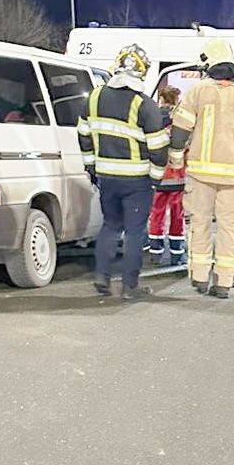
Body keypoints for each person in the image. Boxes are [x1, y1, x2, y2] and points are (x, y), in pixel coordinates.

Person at [168, 38, 234, 299]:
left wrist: (176, 160)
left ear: (207, 62)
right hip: (233, 178)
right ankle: (223, 282)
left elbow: (179, 132)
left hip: (200, 176)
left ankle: (199, 277)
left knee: (199, 225)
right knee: (229, 229)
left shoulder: (197, 92)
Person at [77, 43, 168, 301]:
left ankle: (102, 277)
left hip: (106, 178)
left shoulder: (94, 97)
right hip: (137, 181)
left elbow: (83, 135)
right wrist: (156, 178)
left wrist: (91, 167)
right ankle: (130, 286)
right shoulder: (144, 105)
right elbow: (159, 149)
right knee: (135, 232)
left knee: (109, 226)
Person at [147, 86, 187, 266]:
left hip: (158, 176)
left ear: (161, 99)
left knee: (157, 214)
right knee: (178, 216)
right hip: (178, 177)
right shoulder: (181, 121)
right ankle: (177, 254)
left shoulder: (152, 119)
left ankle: (156, 253)